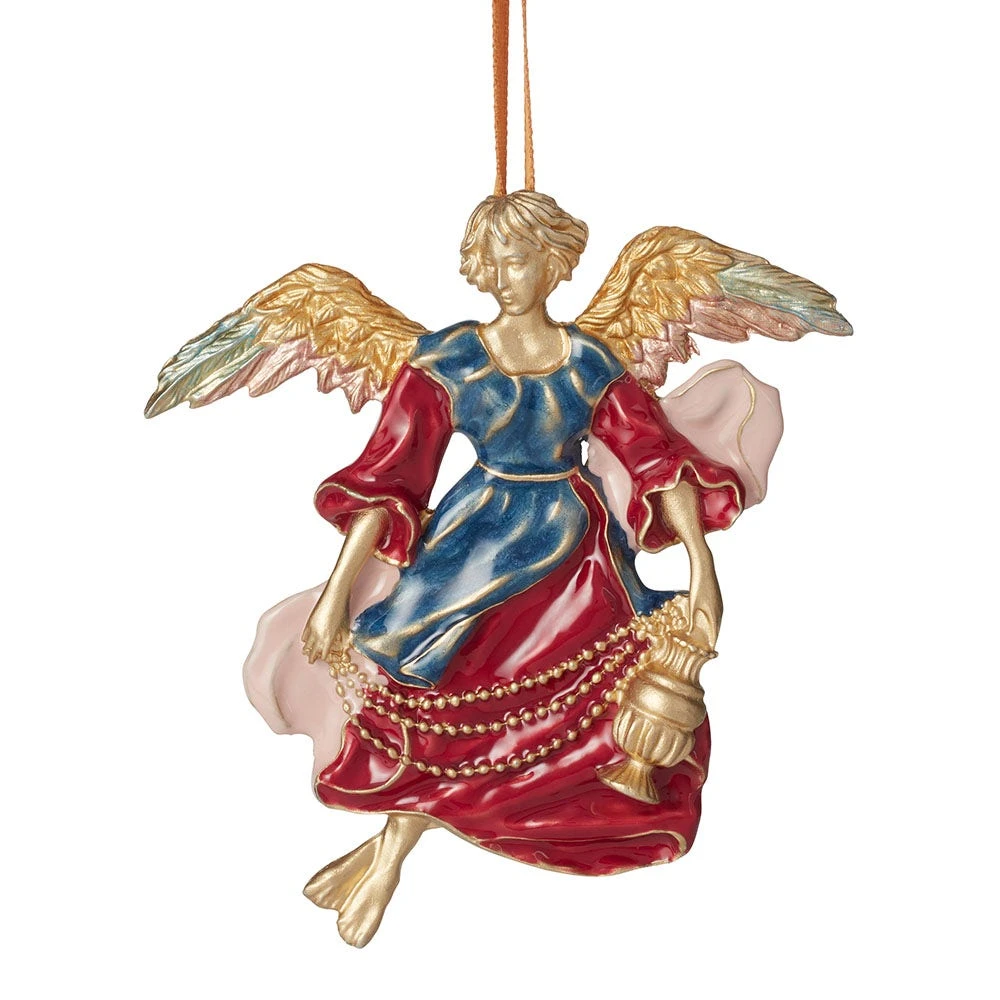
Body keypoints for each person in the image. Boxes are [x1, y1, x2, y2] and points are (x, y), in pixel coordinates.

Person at [271, 191, 744, 946]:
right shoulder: (449, 360)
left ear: (554, 264)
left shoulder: (589, 362)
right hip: (473, 544)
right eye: (492, 263)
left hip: (576, 555)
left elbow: (656, 461)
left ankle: (390, 855)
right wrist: (335, 595)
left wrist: (702, 563)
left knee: (563, 719)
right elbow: (391, 479)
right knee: (444, 704)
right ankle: (390, 856)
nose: (503, 279)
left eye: (519, 260)